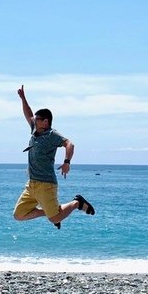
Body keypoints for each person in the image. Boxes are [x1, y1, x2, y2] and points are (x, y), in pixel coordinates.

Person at [13, 85, 95, 228]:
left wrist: (67, 162)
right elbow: (28, 114)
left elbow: (70, 144)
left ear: (46, 121)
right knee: (19, 215)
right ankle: (51, 212)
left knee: (54, 218)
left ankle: (77, 203)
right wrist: (23, 98)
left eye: (37, 119)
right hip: (32, 184)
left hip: (46, 184)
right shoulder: (34, 130)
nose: (34, 120)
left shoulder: (52, 134)